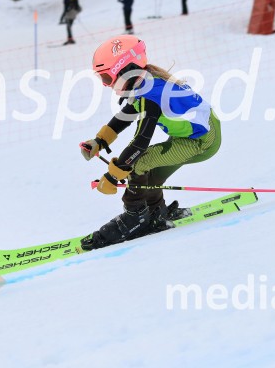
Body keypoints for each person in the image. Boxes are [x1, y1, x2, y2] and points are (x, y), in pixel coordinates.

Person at [78, 34, 221, 251]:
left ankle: (135, 217)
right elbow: (125, 116)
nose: (106, 85)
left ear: (125, 70)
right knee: (148, 172)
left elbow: (140, 142)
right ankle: (156, 212)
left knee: (139, 162)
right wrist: (99, 140)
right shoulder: (144, 82)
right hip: (200, 130)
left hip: (202, 140)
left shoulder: (151, 96)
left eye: (107, 78)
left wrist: (112, 176)